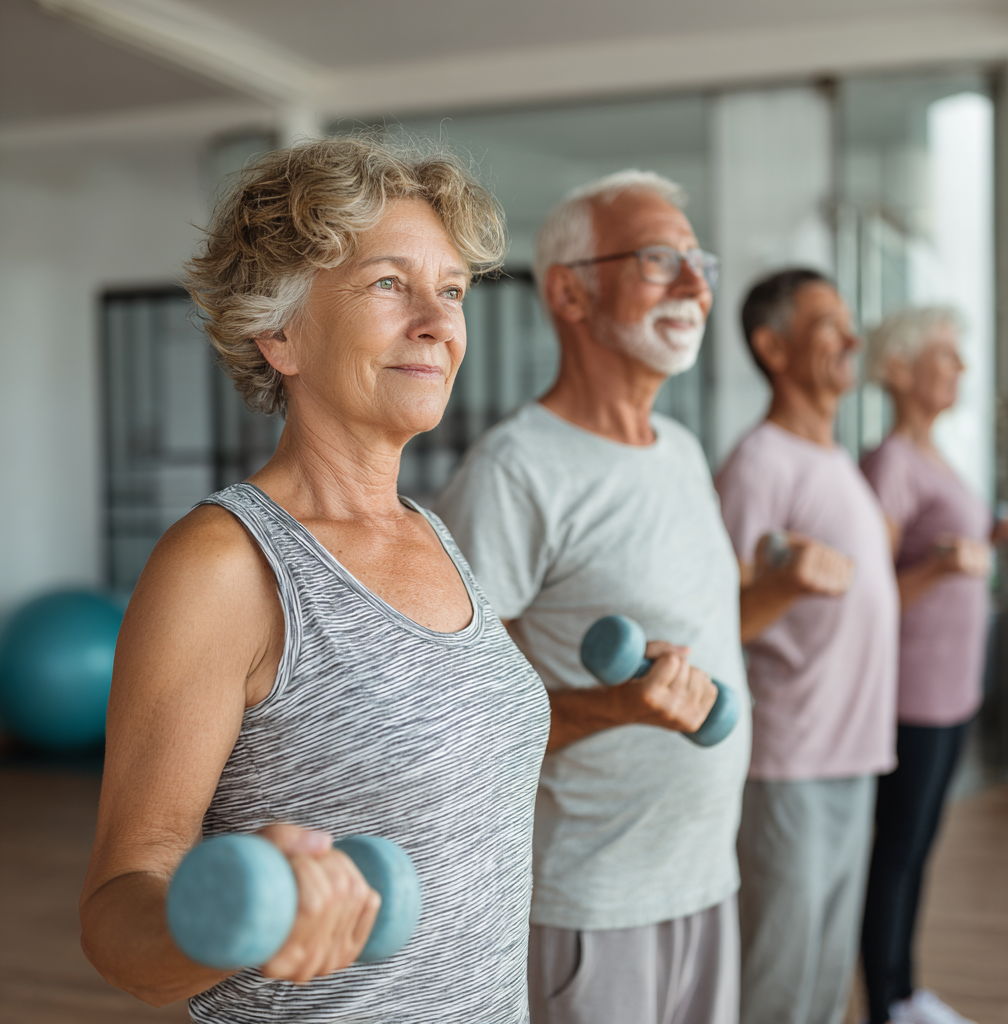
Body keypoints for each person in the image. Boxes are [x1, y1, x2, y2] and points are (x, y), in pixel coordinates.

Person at [78, 135, 550, 1024]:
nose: (439, 322)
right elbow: (116, 913)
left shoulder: (433, 535)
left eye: (450, 291)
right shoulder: (225, 565)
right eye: (388, 284)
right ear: (279, 331)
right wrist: (239, 927)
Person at [435, 170, 751, 1024]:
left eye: (699, 262)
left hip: (705, 875)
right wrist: (618, 708)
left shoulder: (682, 451)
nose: (695, 285)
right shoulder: (515, 472)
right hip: (592, 900)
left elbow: (705, 634)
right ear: (570, 293)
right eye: (659, 259)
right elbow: (462, 723)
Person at [715, 268, 899, 1024]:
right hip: (789, 761)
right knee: (782, 982)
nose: (853, 339)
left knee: (825, 976)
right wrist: (788, 585)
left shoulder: (834, 459)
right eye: (830, 324)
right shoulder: (760, 463)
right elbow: (719, 619)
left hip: (852, 753)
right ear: (774, 347)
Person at [858, 307, 1008, 1024]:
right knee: (897, 853)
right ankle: (888, 1002)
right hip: (911, 695)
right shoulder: (890, 462)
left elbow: (935, 556)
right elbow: (870, 591)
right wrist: (948, 563)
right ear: (902, 370)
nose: (961, 370)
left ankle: (907, 991)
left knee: (919, 849)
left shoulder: (934, 454)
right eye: (947, 357)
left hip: (950, 691)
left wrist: (982, 541)